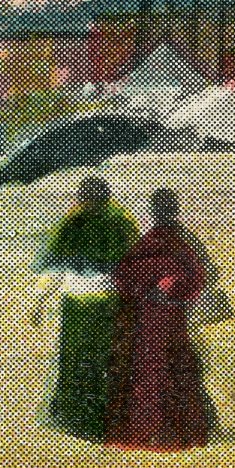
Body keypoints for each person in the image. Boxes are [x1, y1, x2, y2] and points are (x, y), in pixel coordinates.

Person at [104, 185, 221, 451]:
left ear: (153, 213)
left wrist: (147, 289)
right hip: (174, 316)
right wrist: (173, 286)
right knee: (177, 365)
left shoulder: (149, 242)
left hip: (151, 317)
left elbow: (122, 279)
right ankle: (183, 429)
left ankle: (153, 429)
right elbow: (201, 276)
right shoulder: (182, 241)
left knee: (151, 368)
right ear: (175, 211)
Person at [29, 176, 138, 442]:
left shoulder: (70, 224)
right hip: (111, 298)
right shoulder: (121, 221)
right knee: (107, 357)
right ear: (107, 196)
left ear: (81, 197)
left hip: (77, 300)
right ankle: (105, 415)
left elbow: (53, 269)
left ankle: (72, 415)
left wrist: (39, 302)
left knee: (75, 357)